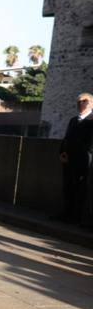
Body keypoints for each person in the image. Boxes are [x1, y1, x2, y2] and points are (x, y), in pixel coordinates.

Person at [54, 93, 93, 224]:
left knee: (82, 189)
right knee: (68, 187)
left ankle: (79, 217)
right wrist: (62, 152)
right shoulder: (73, 120)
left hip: (84, 162)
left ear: (91, 103)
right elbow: (67, 138)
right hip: (69, 160)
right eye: (78, 101)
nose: (80, 103)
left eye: (84, 101)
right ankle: (67, 213)